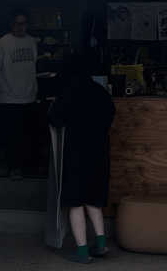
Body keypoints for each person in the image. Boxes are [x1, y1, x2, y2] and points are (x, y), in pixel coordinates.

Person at [49, 54, 116, 264]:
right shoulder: (100, 92)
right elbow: (111, 114)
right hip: (99, 153)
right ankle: (101, 243)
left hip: (76, 154)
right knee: (93, 200)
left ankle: (82, 251)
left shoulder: (69, 92)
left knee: (76, 203)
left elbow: (55, 118)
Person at [0, 10, 38, 178]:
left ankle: (25, 167)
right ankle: (13, 168)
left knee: (27, 136)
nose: (20, 27)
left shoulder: (32, 42)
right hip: (8, 98)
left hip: (29, 97)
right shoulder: (1, 44)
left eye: (23, 23)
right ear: (11, 25)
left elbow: (34, 66)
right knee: (11, 136)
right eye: (17, 23)